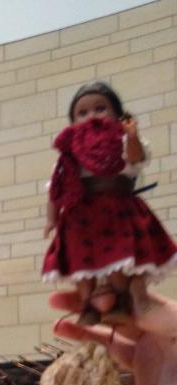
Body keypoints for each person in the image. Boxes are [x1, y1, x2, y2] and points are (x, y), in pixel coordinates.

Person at [42, 81, 177, 324]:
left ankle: (122, 301)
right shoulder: (69, 153)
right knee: (81, 263)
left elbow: (135, 158)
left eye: (100, 108)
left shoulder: (122, 142)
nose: (92, 116)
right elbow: (56, 188)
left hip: (118, 209)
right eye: (82, 112)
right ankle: (87, 305)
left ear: (118, 115)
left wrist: (132, 136)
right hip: (80, 215)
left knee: (118, 258)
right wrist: (51, 219)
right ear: (73, 122)